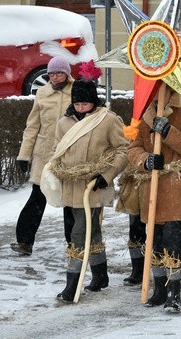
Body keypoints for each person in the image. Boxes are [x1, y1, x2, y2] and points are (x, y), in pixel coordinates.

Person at [51, 69, 129, 302]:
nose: (81, 108)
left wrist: (107, 175)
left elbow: (123, 149)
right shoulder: (64, 122)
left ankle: (72, 286)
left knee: (78, 234)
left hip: (94, 187)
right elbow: (57, 150)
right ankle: (100, 275)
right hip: (70, 186)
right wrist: (54, 171)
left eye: (85, 103)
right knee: (90, 231)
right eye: (77, 103)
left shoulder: (107, 120)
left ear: (93, 101)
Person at [127, 89, 181, 312]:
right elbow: (134, 148)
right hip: (153, 190)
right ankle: (159, 290)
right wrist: (145, 160)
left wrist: (169, 131)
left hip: (178, 188)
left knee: (174, 242)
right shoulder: (142, 117)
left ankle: (174, 292)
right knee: (156, 243)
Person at [12, 56, 74, 256]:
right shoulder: (42, 93)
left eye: (59, 73)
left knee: (71, 201)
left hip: (69, 154)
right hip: (44, 154)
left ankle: (74, 243)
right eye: (52, 74)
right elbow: (32, 127)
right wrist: (24, 156)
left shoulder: (76, 91)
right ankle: (24, 241)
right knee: (37, 198)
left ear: (67, 73)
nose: (55, 77)